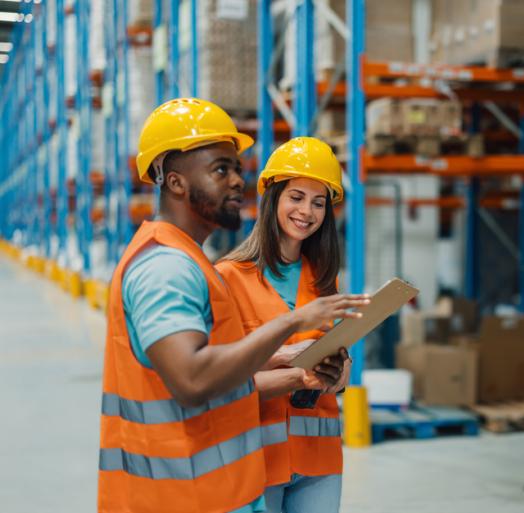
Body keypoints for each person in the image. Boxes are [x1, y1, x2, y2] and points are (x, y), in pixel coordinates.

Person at [97, 100, 369, 513]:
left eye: (237, 169)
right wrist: (296, 361)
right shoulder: (178, 269)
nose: (237, 182)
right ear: (174, 182)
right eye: (221, 170)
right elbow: (197, 381)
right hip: (191, 482)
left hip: (283, 462)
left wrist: (331, 371)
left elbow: (219, 369)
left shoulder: (312, 276)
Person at [216, 137, 350, 513]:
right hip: (256, 456)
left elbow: (340, 369)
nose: (307, 211)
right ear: (273, 198)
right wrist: (291, 362)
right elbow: (218, 375)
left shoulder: (323, 280)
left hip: (319, 462)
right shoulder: (228, 278)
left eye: (319, 202)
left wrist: (338, 372)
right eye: (296, 197)